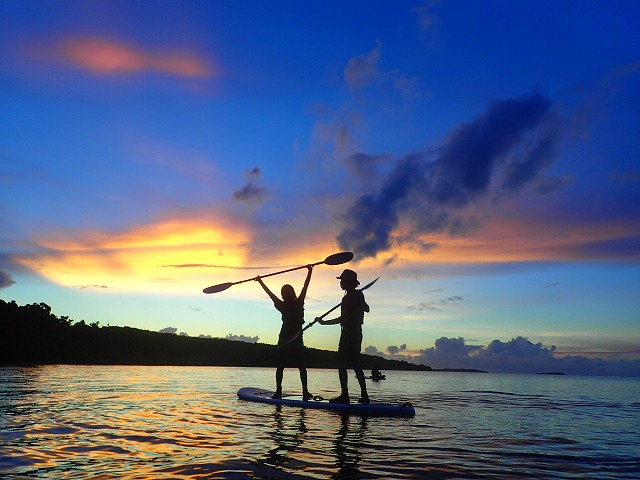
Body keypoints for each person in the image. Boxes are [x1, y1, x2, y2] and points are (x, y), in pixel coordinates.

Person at [255, 265, 314, 400]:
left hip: (286, 339)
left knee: (281, 366)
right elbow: (306, 286)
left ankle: (279, 392)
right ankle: (305, 392)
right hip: (295, 339)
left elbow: (270, 294)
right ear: (292, 293)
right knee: (301, 367)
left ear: (283, 295)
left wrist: (260, 282)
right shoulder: (299, 302)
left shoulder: (282, 305)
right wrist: (310, 272)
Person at [316, 269, 370, 404]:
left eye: (342, 281)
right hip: (356, 333)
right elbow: (366, 308)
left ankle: (345, 396)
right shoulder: (356, 295)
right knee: (355, 364)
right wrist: (359, 297)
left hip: (349, 333)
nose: (340, 283)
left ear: (348, 282)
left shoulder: (350, 297)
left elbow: (343, 318)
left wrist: (324, 323)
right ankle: (364, 396)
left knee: (342, 364)